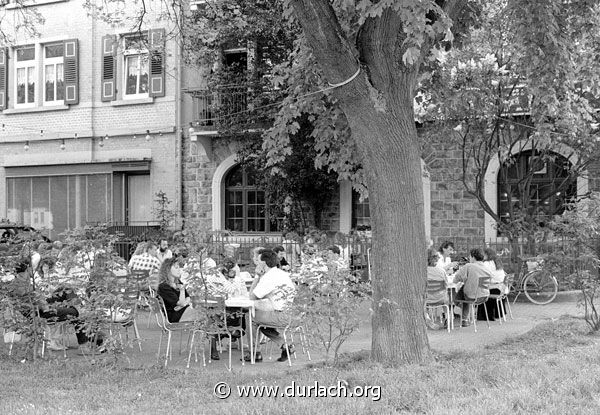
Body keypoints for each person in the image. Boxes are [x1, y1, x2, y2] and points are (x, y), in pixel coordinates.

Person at [249, 250, 297, 363]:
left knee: (250, 316)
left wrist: (257, 276)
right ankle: (285, 346)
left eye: (259, 261)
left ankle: (255, 353)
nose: (257, 263)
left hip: (279, 315)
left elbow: (252, 296)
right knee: (262, 322)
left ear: (264, 263)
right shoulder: (280, 273)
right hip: (288, 313)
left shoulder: (269, 277)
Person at [452, 248, 492, 327]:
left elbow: (456, 279)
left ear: (473, 257)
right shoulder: (487, 268)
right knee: (466, 292)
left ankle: (455, 305)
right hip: (484, 296)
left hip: (471, 296)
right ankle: (465, 319)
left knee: (463, 293)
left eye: (469, 256)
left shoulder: (469, 266)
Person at [477, 248, 508, 321]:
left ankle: (484, 315)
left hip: (494, 288)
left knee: (480, 289)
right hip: (502, 288)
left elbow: (482, 275)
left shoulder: (487, 263)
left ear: (487, 255)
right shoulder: (497, 262)